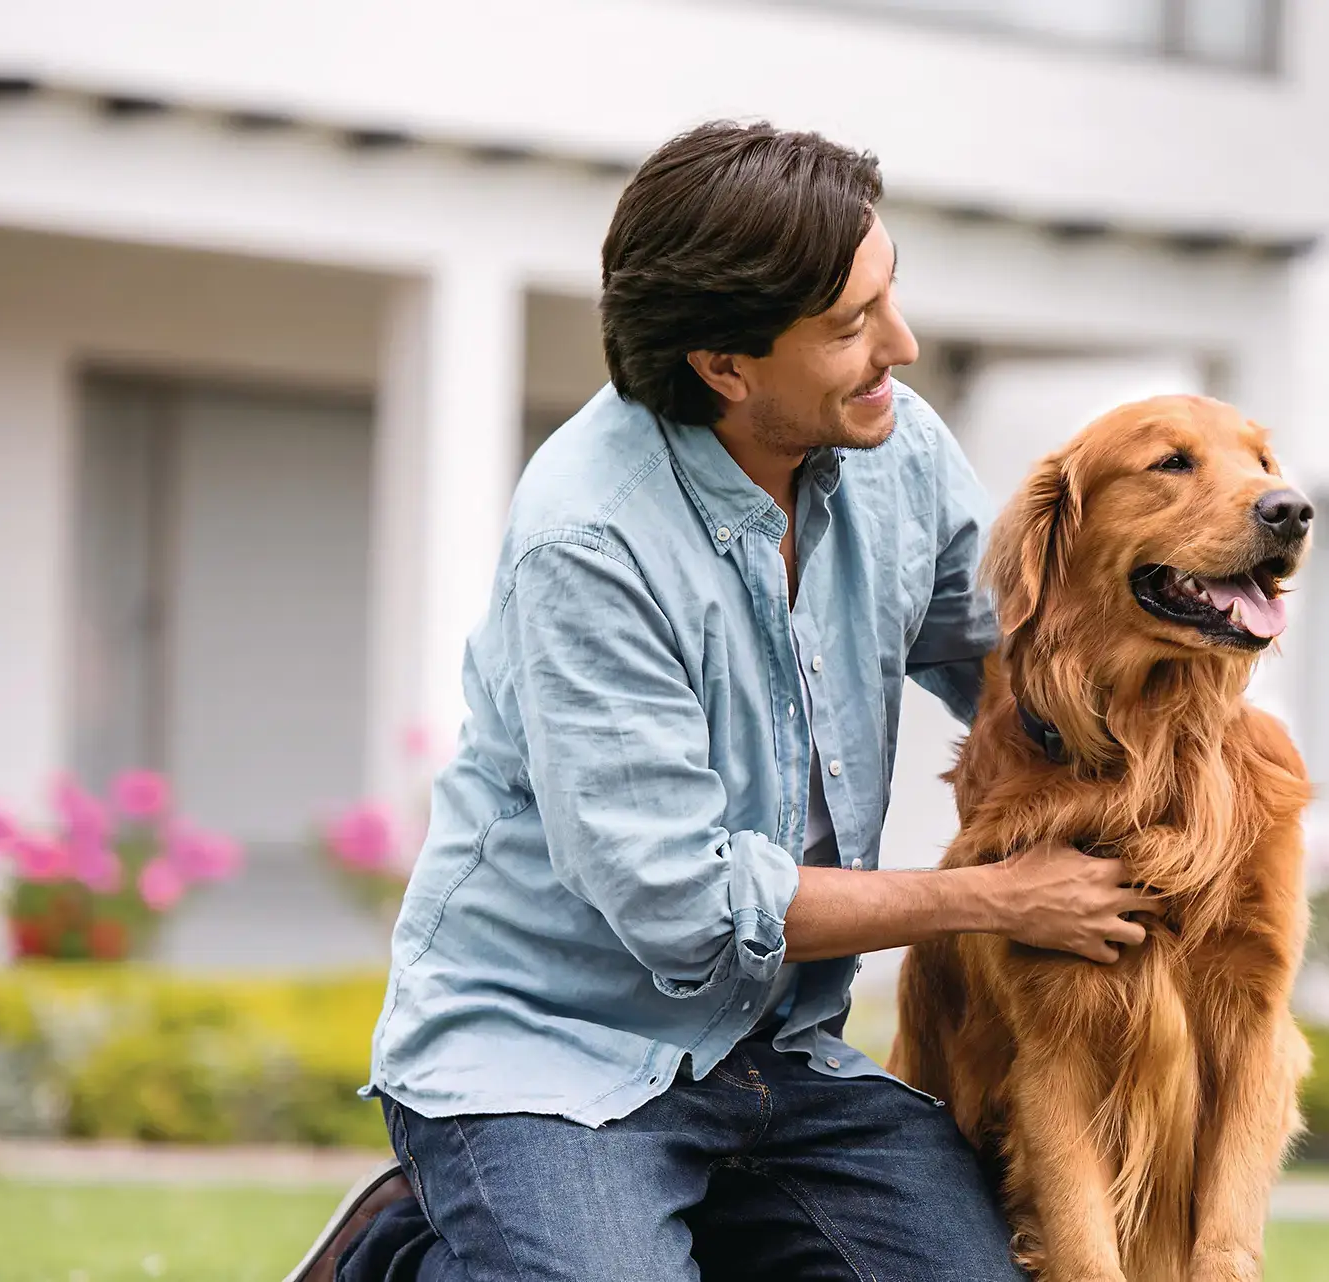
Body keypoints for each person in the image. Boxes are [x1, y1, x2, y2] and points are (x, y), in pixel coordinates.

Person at [287, 121, 1162, 1282]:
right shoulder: (589, 539)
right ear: (726, 366)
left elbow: (1020, 674)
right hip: (549, 1056)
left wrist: (1194, 700)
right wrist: (992, 898)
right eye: (851, 327)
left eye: (888, 294)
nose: (900, 344)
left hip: (776, 1052)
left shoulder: (895, 450)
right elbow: (685, 901)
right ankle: (405, 1257)